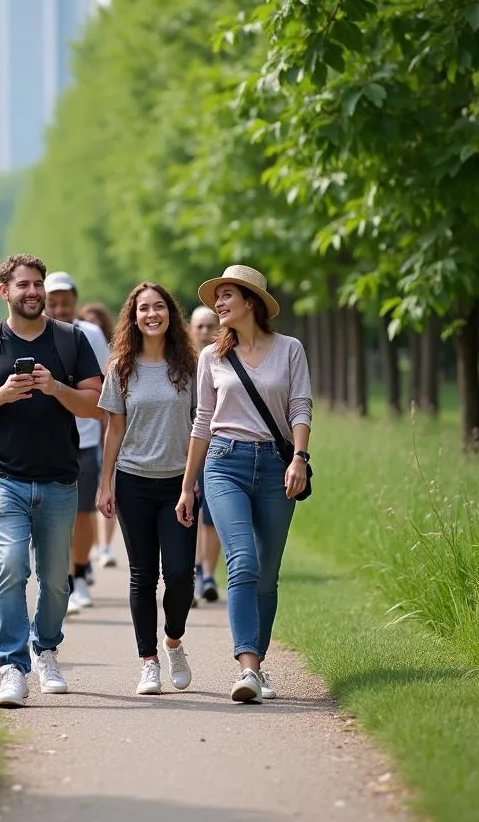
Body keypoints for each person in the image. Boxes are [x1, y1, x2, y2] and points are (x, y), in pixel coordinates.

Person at [0, 254, 103, 708]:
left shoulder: (70, 340)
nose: (34, 292)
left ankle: (47, 649)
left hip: (59, 477)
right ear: (5, 291)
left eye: (38, 284)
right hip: (3, 475)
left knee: (57, 580)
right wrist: (1, 394)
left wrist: (57, 388)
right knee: (11, 565)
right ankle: (13, 667)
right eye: (24, 285)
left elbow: (94, 404)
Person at [176, 265, 312, 704]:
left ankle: (259, 663)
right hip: (224, 463)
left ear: (250, 301)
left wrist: (299, 459)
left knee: (267, 576)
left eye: (227, 295)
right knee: (244, 561)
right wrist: (187, 485)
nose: (218, 304)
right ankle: (248, 669)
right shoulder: (211, 357)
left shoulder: (289, 349)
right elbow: (201, 422)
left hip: (276, 467)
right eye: (217, 297)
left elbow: (300, 406)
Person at [96, 282, 198, 695]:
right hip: (134, 481)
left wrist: (191, 483)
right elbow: (114, 430)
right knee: (142, 575)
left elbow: (200, 426)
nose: (152, 314)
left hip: (179, 484)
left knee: (179, 576)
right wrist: (105, 484)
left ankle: (173, 640)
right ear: (133, 318)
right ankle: (149, 661)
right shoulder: (120, 367)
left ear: (170, 314)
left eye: (159, 307)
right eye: (144, 309)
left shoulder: (191, 367)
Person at [43, 272, 111, 613]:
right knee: (54, 515)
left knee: (83, 511)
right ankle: (61, 577)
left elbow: (106, 386)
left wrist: (106, 431)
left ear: (75, 303)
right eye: (53, 302)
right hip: (44, 439)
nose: (59, 308)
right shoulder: (35, 332)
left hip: (84, 436)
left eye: (65, 302)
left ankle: (80, 573)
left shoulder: (93, 335)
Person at [80, 301, 120, 569]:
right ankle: (91, 547)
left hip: (103, 428)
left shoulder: (111, 355)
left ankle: (104, 546)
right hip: (90, 428)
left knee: (105, 488)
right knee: (89, 497)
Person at [190, 305, 223, 605]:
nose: (204, 332)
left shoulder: (226, 360)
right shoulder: (184, 363)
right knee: (192, 511)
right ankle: (195, 571)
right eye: (199, 326)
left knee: (213, 515)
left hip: (219, 448)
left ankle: (209, 573)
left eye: (210, 325)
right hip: (188, 449)